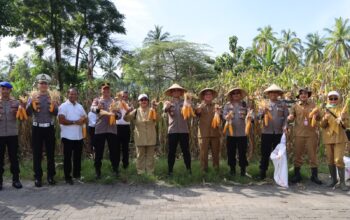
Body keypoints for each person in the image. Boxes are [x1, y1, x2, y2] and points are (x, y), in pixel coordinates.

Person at [26, 74, 59, 187]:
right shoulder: (33, 96)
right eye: (41, 83)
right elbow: (28, 113)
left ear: (47, 85)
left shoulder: (52, 97)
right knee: (37, 153)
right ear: (38, 85)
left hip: (49, 127)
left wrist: (54, 107)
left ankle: (50, 176)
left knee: (50, 153)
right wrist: (31, 103)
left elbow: (56, 113)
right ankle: (38, 177)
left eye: (45, 83)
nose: (43, 85)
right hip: (37, 127)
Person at [287, 88, 322, 184]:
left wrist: (317, 115)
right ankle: (297, 175)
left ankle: (314, 176)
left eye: (305, 94)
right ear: (299, 96)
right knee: (298, 155)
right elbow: (291, 118)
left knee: (313, 155)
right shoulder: (295, 106)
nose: (303, 95)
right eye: (301, 94)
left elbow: (319, 118)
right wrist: (290, 118)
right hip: (299, 134)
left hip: (311, 134)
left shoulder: (313, 105)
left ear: (308, 95)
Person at [90, 83, 121, 179]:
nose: (106, 91)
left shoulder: (114, 101)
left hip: (112, 129)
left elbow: (119, 115)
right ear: (101, 91)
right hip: (100, 129)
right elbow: (92, 109)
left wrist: (114, 115)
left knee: (114, 151)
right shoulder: (97, 100)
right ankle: (97, 171)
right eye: (104, 90)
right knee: (98, 151)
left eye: (107, 90)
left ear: (109, 91)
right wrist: (98, 109)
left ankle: (115, 169)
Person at [258, 84, 289, 180]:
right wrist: (263, 112)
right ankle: (262, 173)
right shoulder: (264, 104)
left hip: (279, 133)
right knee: (265, 153)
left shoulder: (283, 104)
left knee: (279, 155)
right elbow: (258, 117)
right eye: (271, 93)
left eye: (275, 93)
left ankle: (279, 175)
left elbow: (286, 118)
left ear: (278, 94)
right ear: (268, 94)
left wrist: (285, 126)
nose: (273, 94)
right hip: (266, 132)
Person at [320, 91, 349, 191]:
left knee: (338, 160)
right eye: (331, 98)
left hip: (340, 137)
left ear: (339, 99)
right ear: (328, 99)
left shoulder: (343, 110)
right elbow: (322, 126)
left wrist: (343, 119)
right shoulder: (325, 110)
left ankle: (342, 182)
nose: (333, 100)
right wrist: (325, 118)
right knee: (330, 159)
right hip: (328, 138)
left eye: (335, 98)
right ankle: (333, 180)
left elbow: (347, 125)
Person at [58, 88, 87, 185]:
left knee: (77, 157)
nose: (73, 96)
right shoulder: (63, 106)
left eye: (75, 94)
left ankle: (77, 175)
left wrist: (83, 119)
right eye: (71, 94)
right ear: (67, 94)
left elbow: (85, 118)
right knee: (67, 157)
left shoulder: (79, 106)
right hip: (67, 136)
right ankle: (67, 177)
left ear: (77, 95)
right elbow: (61, 120)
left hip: (78, 136)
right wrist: (75, 122)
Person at [124, 94, 157, 175]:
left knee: (150, 156)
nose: (144, 101)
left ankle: (150, 172)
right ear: (139, 102)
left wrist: (155, 110)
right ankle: (140, 172)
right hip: (139, 137)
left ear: (148, 101)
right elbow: (126, 119)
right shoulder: (135, 111)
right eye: (141, 100)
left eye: (145, 99)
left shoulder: (152, 110)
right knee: (140, 156)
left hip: (151, 136)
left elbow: (157, 120)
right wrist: (127, 111)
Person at [163, 83, 192, 176]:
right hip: (172, 130)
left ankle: (189, 170)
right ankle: (170, 171)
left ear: (181, 92)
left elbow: (190, 114)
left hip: (184, 130)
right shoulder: (168, 102)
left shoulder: (185, 102)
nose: (176, 92)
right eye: (173, 91)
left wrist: (189, 104)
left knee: (186, 151)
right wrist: (166, 107)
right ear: (171, 93)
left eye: (178, 90)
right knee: (171, 151)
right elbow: (164, 110)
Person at [0, 82, 22, 190]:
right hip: (0, 135)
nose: (4, 91)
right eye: (2, 89)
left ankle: (16, 180)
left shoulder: (16, 103)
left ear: (10, 91)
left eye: (6, 89)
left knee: (14, 158)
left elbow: (22, 118)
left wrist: (20, 111)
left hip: (13, 134)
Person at [223, 88, 250, 176]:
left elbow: (251, 116)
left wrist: (251, 116)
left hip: (242, 133)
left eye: (238, 93)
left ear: (240, 95)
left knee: (242, 152)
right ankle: (232, 170)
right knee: (231, 152)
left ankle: (243, 170)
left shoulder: (245, 105)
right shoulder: (227, 105)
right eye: (234, 94)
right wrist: (226, 117)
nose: (236, 95)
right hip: (230, 133)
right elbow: (223, 115)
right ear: (231, 95)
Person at [195, 88, 221, 172]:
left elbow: (222, 118)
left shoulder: (216, 106)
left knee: (215, 153)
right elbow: (196, 114)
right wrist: (199, 109)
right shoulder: (199, 106)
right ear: (203, 96)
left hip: (215, 133)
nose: (208, 96)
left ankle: (216, 170)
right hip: (203, 133)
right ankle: (204, 171)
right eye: (206, 94)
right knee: (203, 153)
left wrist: (219, 112)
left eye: (210, 94)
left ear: (212, 96)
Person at [116, 91, 131, 169]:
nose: (124, 98)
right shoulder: (115, 105)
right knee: (117, 148)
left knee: (125, 147)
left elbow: (130, 117)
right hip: (117, 127)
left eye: (126, 96)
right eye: (123, 96)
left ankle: (125, 165)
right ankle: (116, 165)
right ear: (120, 96)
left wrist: (130, 111)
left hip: (126, 128)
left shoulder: (128, 106)